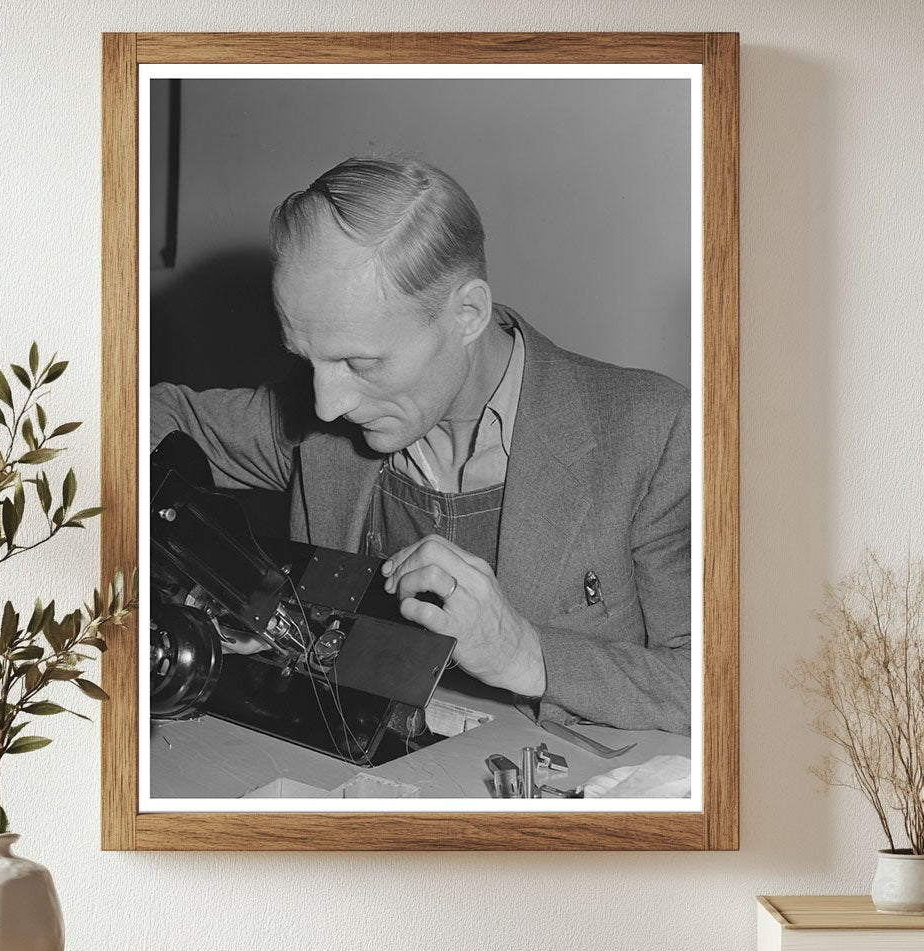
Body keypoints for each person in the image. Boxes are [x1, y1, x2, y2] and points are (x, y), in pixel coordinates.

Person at [151, 156, 691, 736]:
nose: (327, 405)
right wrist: (220, 578)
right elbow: (149, 419)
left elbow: (714, 687)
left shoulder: (651, 431)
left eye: (361, 362)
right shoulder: (317, 417)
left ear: (467, 314)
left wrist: (525, 654)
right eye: (307, 360)